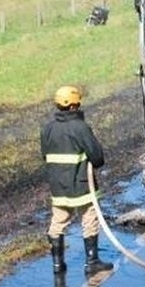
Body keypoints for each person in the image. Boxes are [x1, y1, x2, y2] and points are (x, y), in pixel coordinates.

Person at [41, 85, 113, 274]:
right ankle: (92, 262)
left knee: (59, 220)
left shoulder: (48, 129)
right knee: (89, 218)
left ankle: (57, 264)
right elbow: (97, 157)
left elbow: (45, 155)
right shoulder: (80, 127)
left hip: (58, 186)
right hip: (81, 184)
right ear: (74, 105)